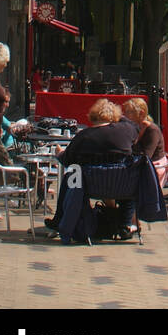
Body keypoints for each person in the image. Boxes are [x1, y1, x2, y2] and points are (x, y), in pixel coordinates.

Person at [45, 99, 139, 235]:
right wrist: (116, 115)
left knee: (70, 177)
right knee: (127, 176)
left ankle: (61, 219)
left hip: (92, 186)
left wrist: (59, 153)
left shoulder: (84, 136)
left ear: (93, 117)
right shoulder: (126, 130)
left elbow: (68, 161)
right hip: (123, 185)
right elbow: (134, 125)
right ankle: (125, 224)